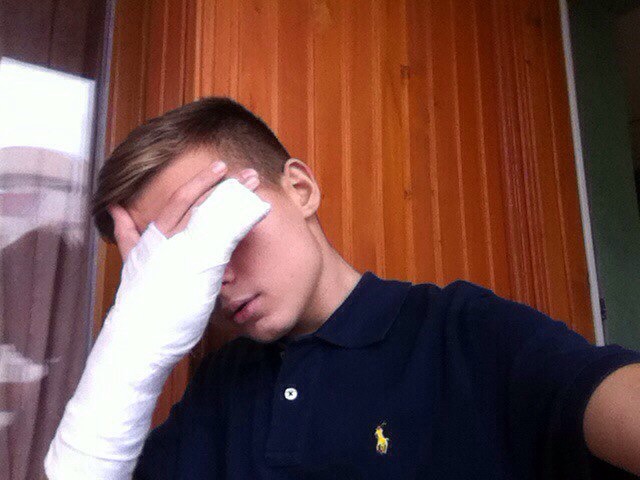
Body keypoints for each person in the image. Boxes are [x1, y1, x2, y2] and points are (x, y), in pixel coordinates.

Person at [44, 97, 640, 479]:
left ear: (300, 189)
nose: (211, 275)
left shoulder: (461, 333)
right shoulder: (217, 392)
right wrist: (134, 343)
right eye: (175, 266)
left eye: (218, 229)